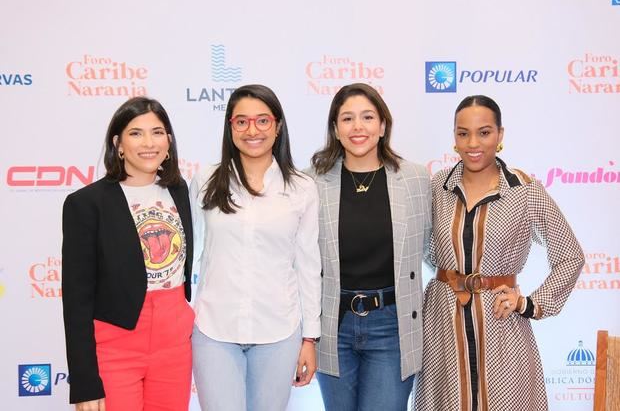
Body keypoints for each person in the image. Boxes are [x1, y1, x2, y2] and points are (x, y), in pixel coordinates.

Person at [414, 95, 585, 410]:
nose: (473, 143)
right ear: (454, 137)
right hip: (443, 326)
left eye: (484, 132)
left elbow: (570, 255)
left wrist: (529, 303)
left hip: (501, 324)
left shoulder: (523, 190)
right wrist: (449, 278)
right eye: (463, 133)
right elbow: (425, 248)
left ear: (500, 135)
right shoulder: (438, 186)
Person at [190, 84, 321, 411]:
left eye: (263, 121)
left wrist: (310, 339)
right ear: (230, 127)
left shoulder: (302, 188)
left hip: (279, 331)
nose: (253, 130)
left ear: (277, 127)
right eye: (242, 121)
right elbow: (186, 255)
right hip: (214, 330)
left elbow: (308, 266)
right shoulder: (206, 181)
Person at [62, 97, 194, 410]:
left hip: (174, 343)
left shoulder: (179, 190)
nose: (149, 143)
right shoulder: (86, 203)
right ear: (118, 144)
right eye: (136, 133)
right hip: (115, 344)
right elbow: (77, 299)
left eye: (157, 132)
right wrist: (84, 382)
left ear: (169, 141)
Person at [309, 83, 432, 410]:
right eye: (347, 119)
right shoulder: (311, 182)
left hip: (391, 325)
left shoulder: (416, 179)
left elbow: (434, 244)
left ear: (382, 125)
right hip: (333, 327)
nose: (358, 127)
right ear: (335, 129)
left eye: (367, 117)